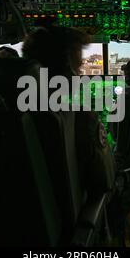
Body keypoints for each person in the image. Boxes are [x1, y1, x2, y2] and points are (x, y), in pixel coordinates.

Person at [22, 25, 116, 200]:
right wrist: (105, 139)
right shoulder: (79, 118)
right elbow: (105, 182)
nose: (78, 75)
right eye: (78, 68)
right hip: (72, 218)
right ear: (66, 71)